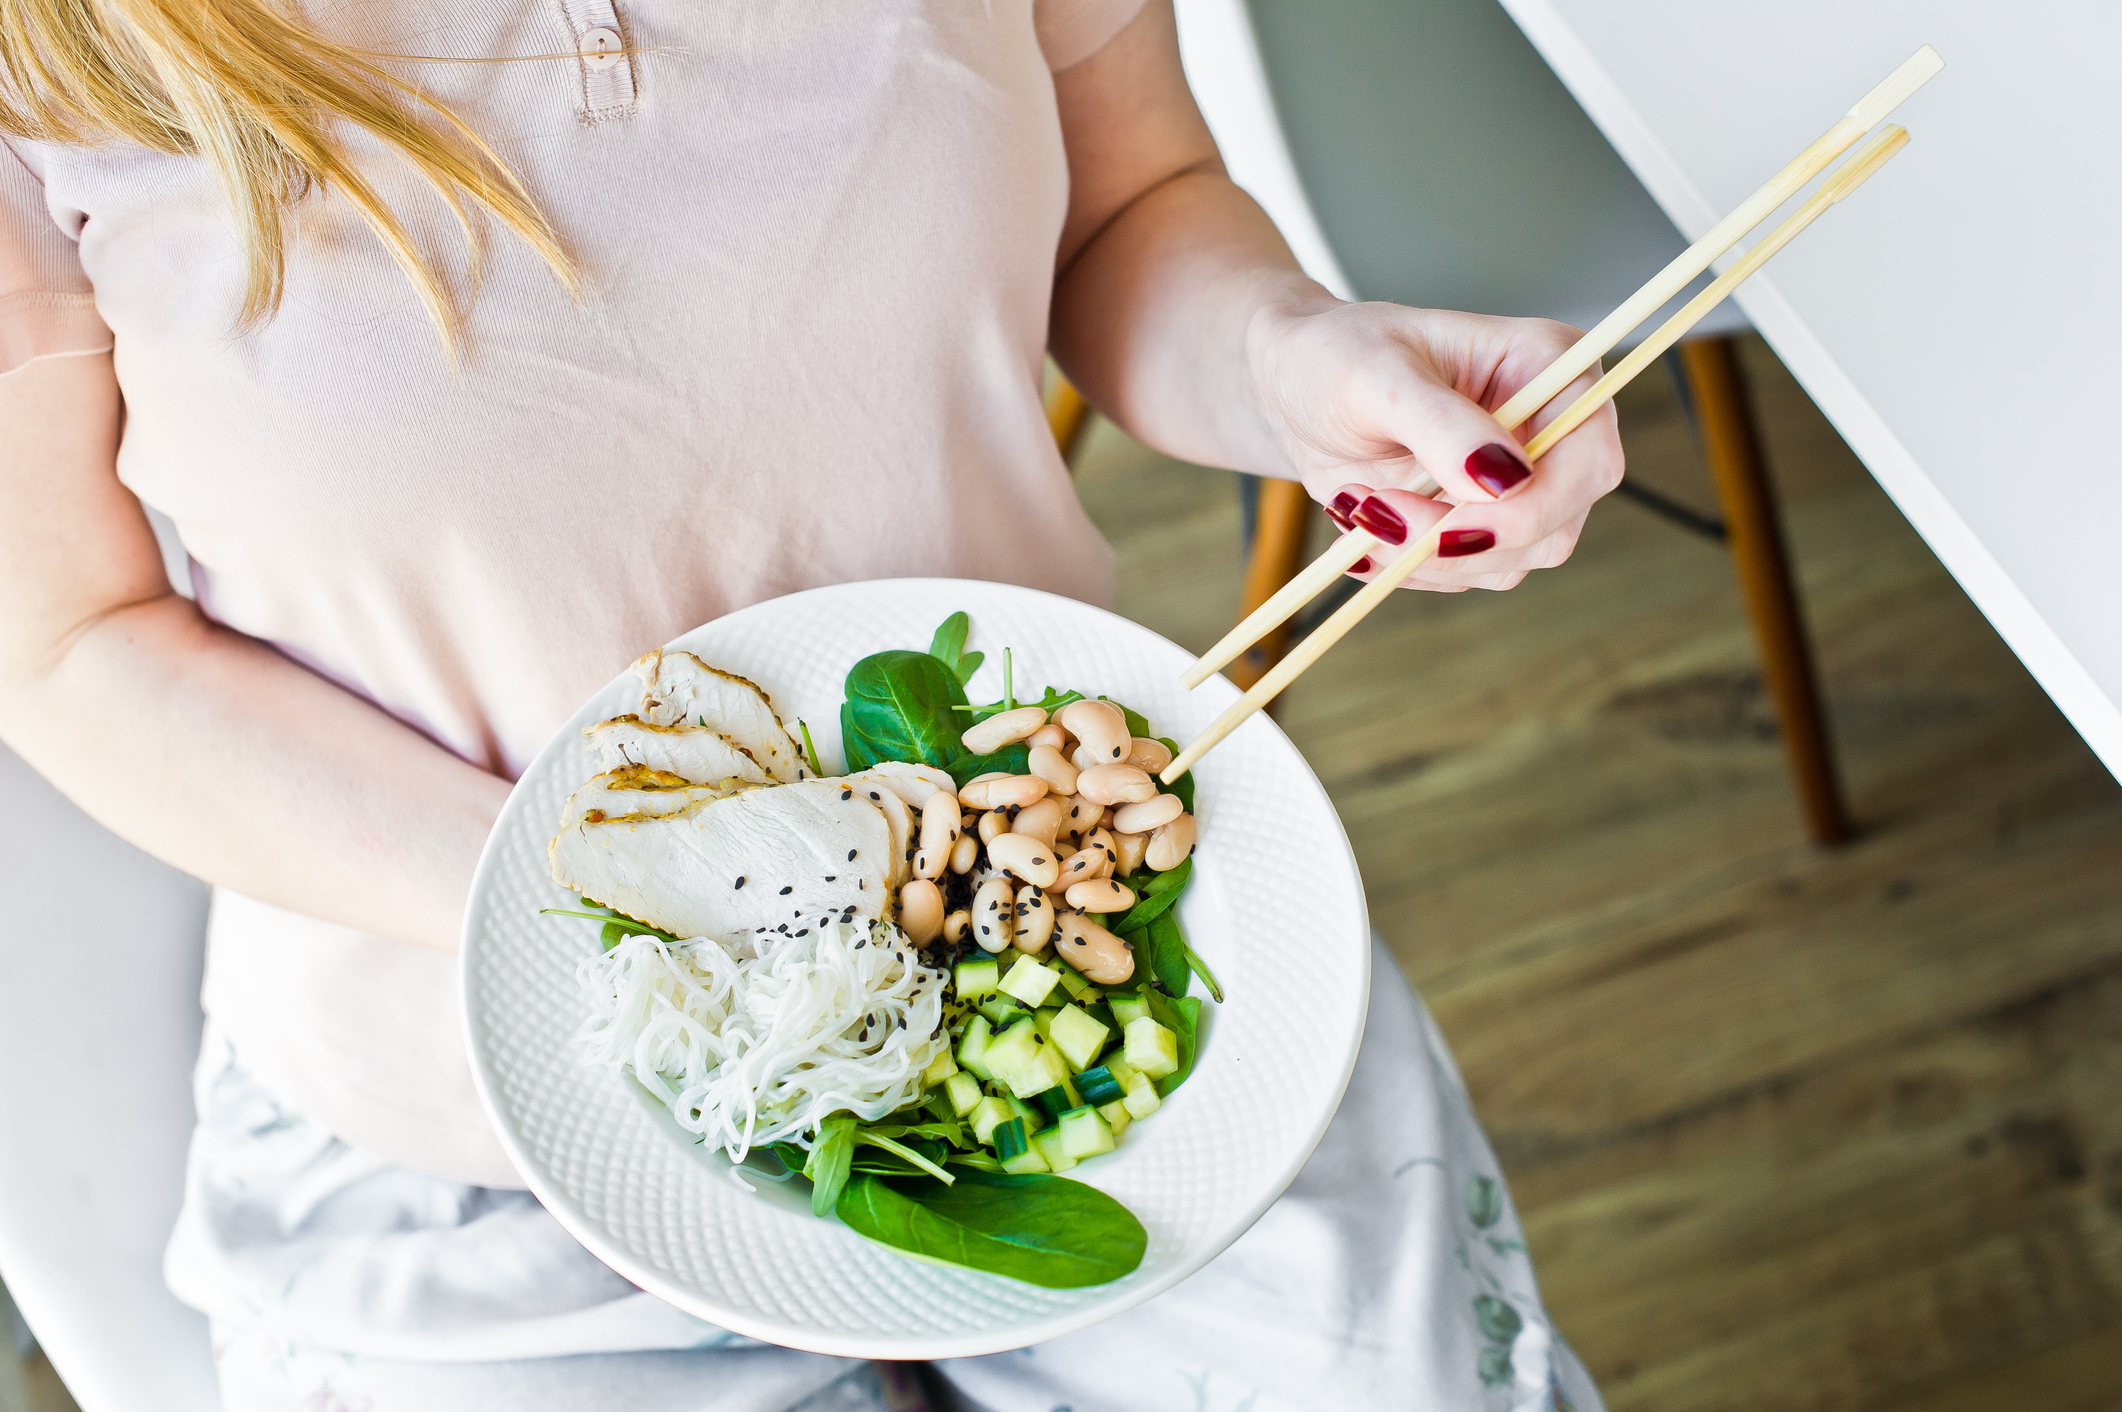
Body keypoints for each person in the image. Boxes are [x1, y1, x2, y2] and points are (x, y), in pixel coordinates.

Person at [0, 1, 1620, 1407]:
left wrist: (1293, 367)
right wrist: (597, 900)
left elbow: (1128, 206)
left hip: (1092, 948)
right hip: (460, 1126)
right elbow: (67, 635)